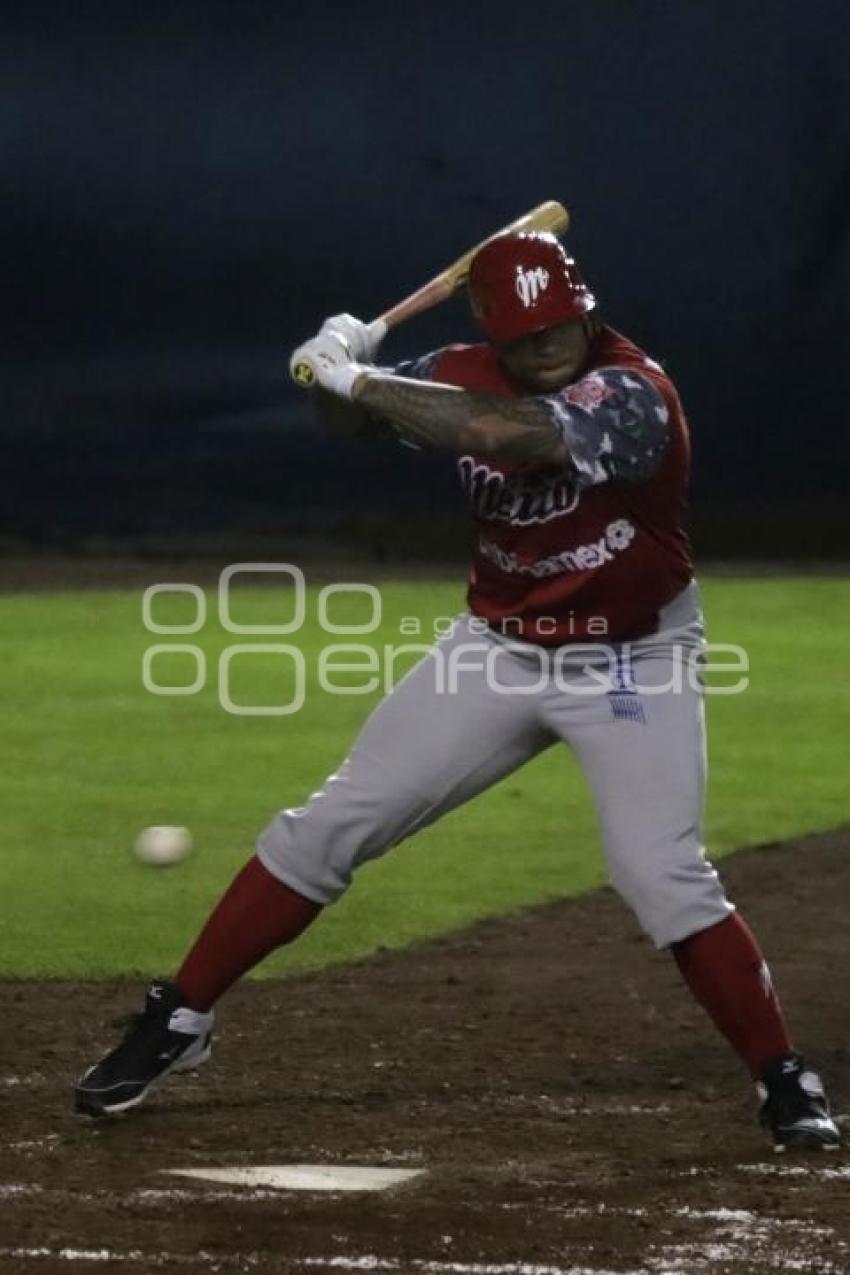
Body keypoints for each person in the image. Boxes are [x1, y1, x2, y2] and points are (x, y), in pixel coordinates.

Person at [75, 230, 840, 1152]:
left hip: (634, 659)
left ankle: (782, 1075)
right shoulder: (461, 364)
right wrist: (331, 371)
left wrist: (364, 383)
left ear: (583, 310)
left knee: (662, 874)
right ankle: (179, 1017)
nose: (546, 344)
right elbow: (357, 422)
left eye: (559, 324)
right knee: (326, 826)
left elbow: (499, 433)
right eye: (526, 333)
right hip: (498, 649)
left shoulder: (635, 394)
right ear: (493, 329)